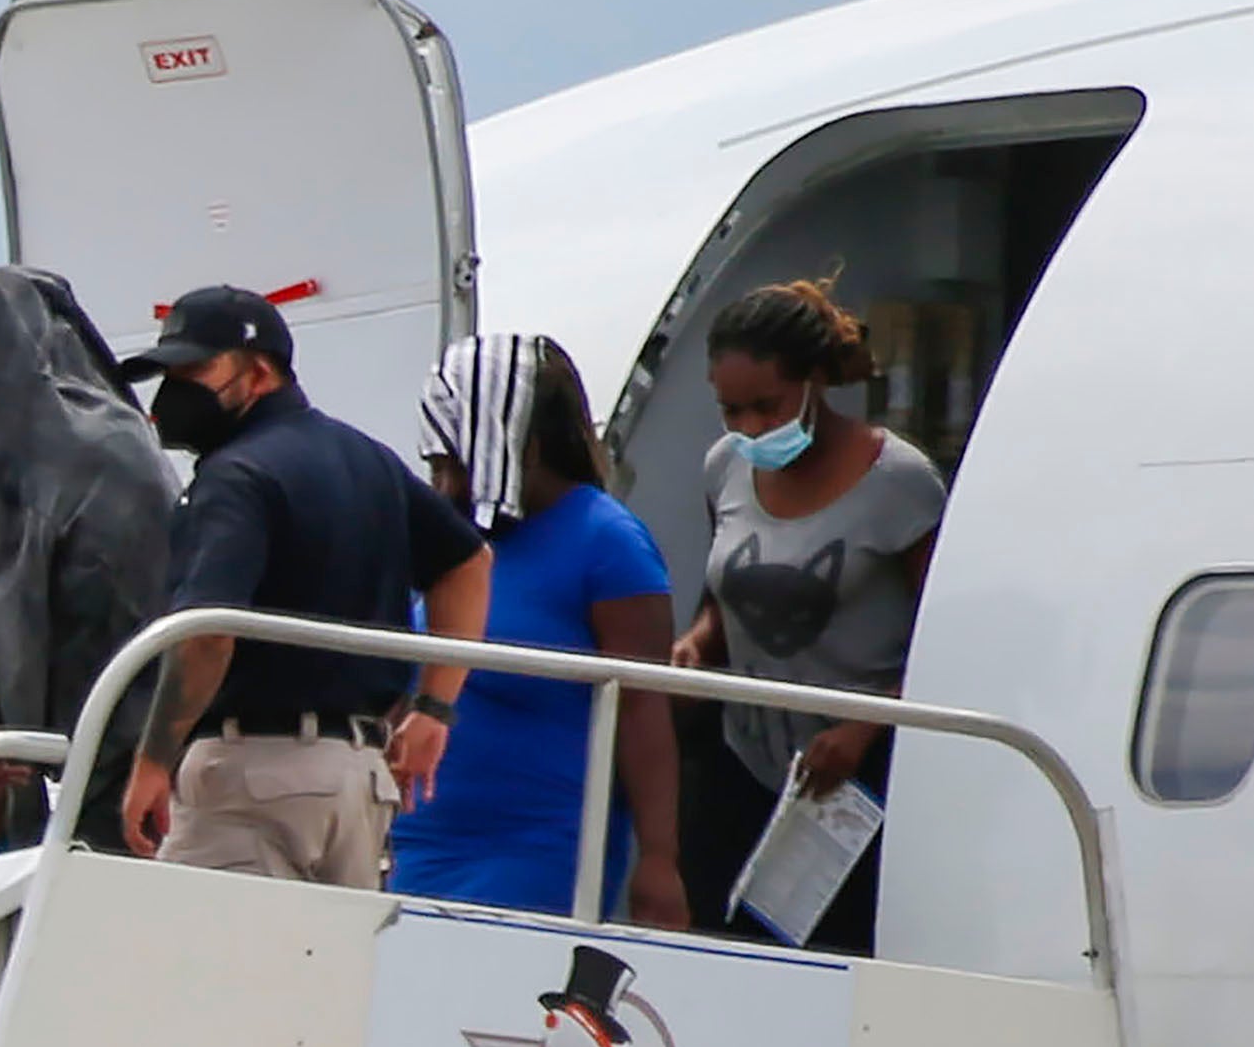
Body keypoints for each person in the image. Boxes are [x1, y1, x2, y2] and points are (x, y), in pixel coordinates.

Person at [114, 283, 491, 889]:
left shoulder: (235, 477)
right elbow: (469, 562)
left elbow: (208, 635)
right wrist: (435, 706)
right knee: (323, 979)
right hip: (358, 780)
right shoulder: (369, 459)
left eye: (195, 370)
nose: (172, 393)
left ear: (260, 373)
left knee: (208, 976)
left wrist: (154, 761)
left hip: (250, 780)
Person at [664, 274, 945, 956]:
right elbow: (724, 596)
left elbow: (944, 646)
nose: (750, 429)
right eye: (732, 412)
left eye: (767, 408)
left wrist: (863, 725)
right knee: (722, 941)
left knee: (832, 954)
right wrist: (699, 641)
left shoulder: (900, 483)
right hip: (747, 760)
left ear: (814, 382)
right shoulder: (725, 468)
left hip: (850, 778)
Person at [393, 332, 686, 926]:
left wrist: (659, 859)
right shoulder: (450, 541)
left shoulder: (608, 541)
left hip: (539, 847)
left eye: (452, 459)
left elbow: (644, 712)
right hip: (423, 840)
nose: (441, 481)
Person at [0, 266, 177, 851]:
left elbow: (13, 616)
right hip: (160, 714)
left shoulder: (18, 449)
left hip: (100, 733)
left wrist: (19, 781)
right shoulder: (121, 428)